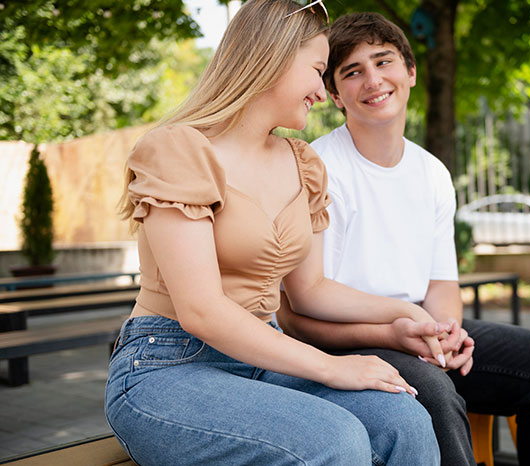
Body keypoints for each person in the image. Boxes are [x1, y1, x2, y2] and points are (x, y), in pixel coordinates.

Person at [104, 2, 444, 465]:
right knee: (333, 438)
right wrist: (332, 367)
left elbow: (312, 291)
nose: (322, 94)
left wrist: (404, 315)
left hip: (263, 358)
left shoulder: (301, 163)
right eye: (318, 70)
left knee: (403, 421)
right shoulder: (178, 149)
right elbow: (201, 310)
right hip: (168, 365)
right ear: (275, 58)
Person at [276, 12, 530, 466]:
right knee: (435, 393)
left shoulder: (432, 172)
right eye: (352, 71)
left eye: (384, 62)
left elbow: (441, 284)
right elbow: (301, 310)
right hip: (341, 341)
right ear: (336, 95)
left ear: (411, 72)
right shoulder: (319, 166)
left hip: (415, 329)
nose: (373, 80)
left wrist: (447, 332)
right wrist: (405, 329)